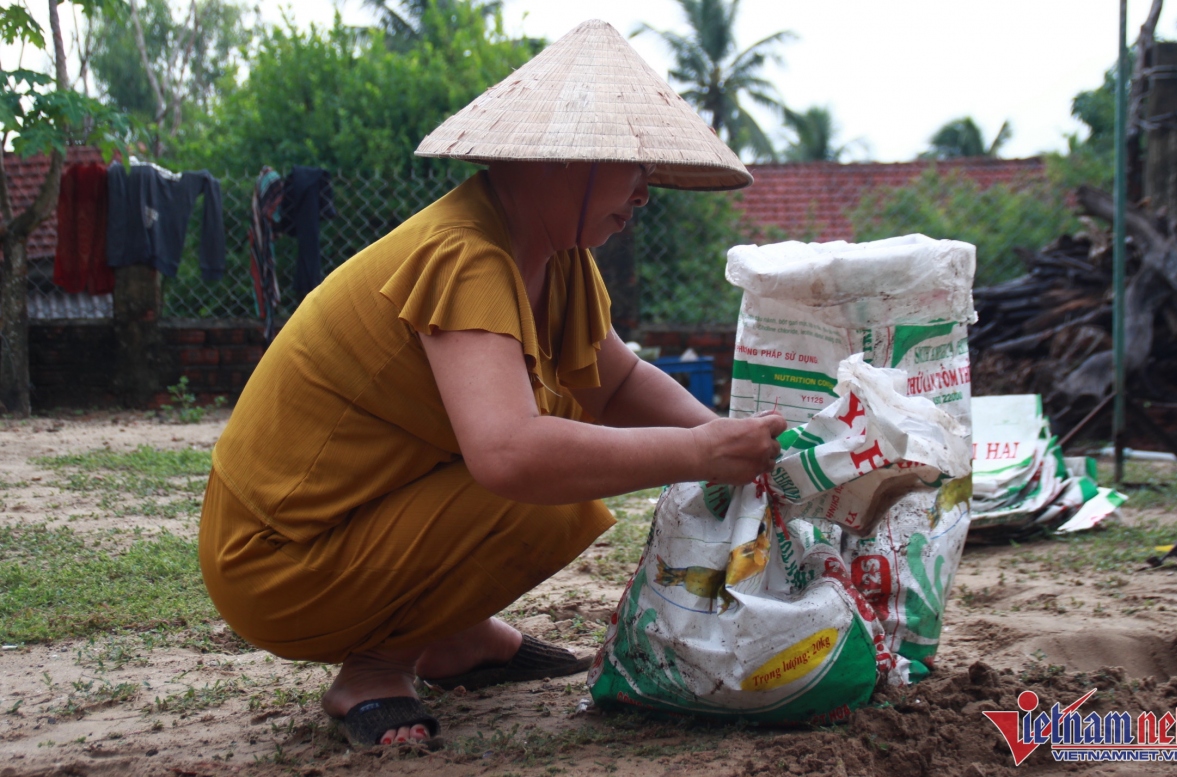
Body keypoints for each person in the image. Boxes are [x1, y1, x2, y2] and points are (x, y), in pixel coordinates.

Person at [197, 19, 786, 748]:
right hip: (276, 556)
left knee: (562, 432)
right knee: (536, 471)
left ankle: (449, 638)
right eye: (632, 166)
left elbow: (618, 380)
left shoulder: (558, 257)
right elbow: (508, 453)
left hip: (347, 524)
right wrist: (699, 452)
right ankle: (376, 669)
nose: (644, 193)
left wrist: (744, 447)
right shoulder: (465, 255)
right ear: (561, 160)